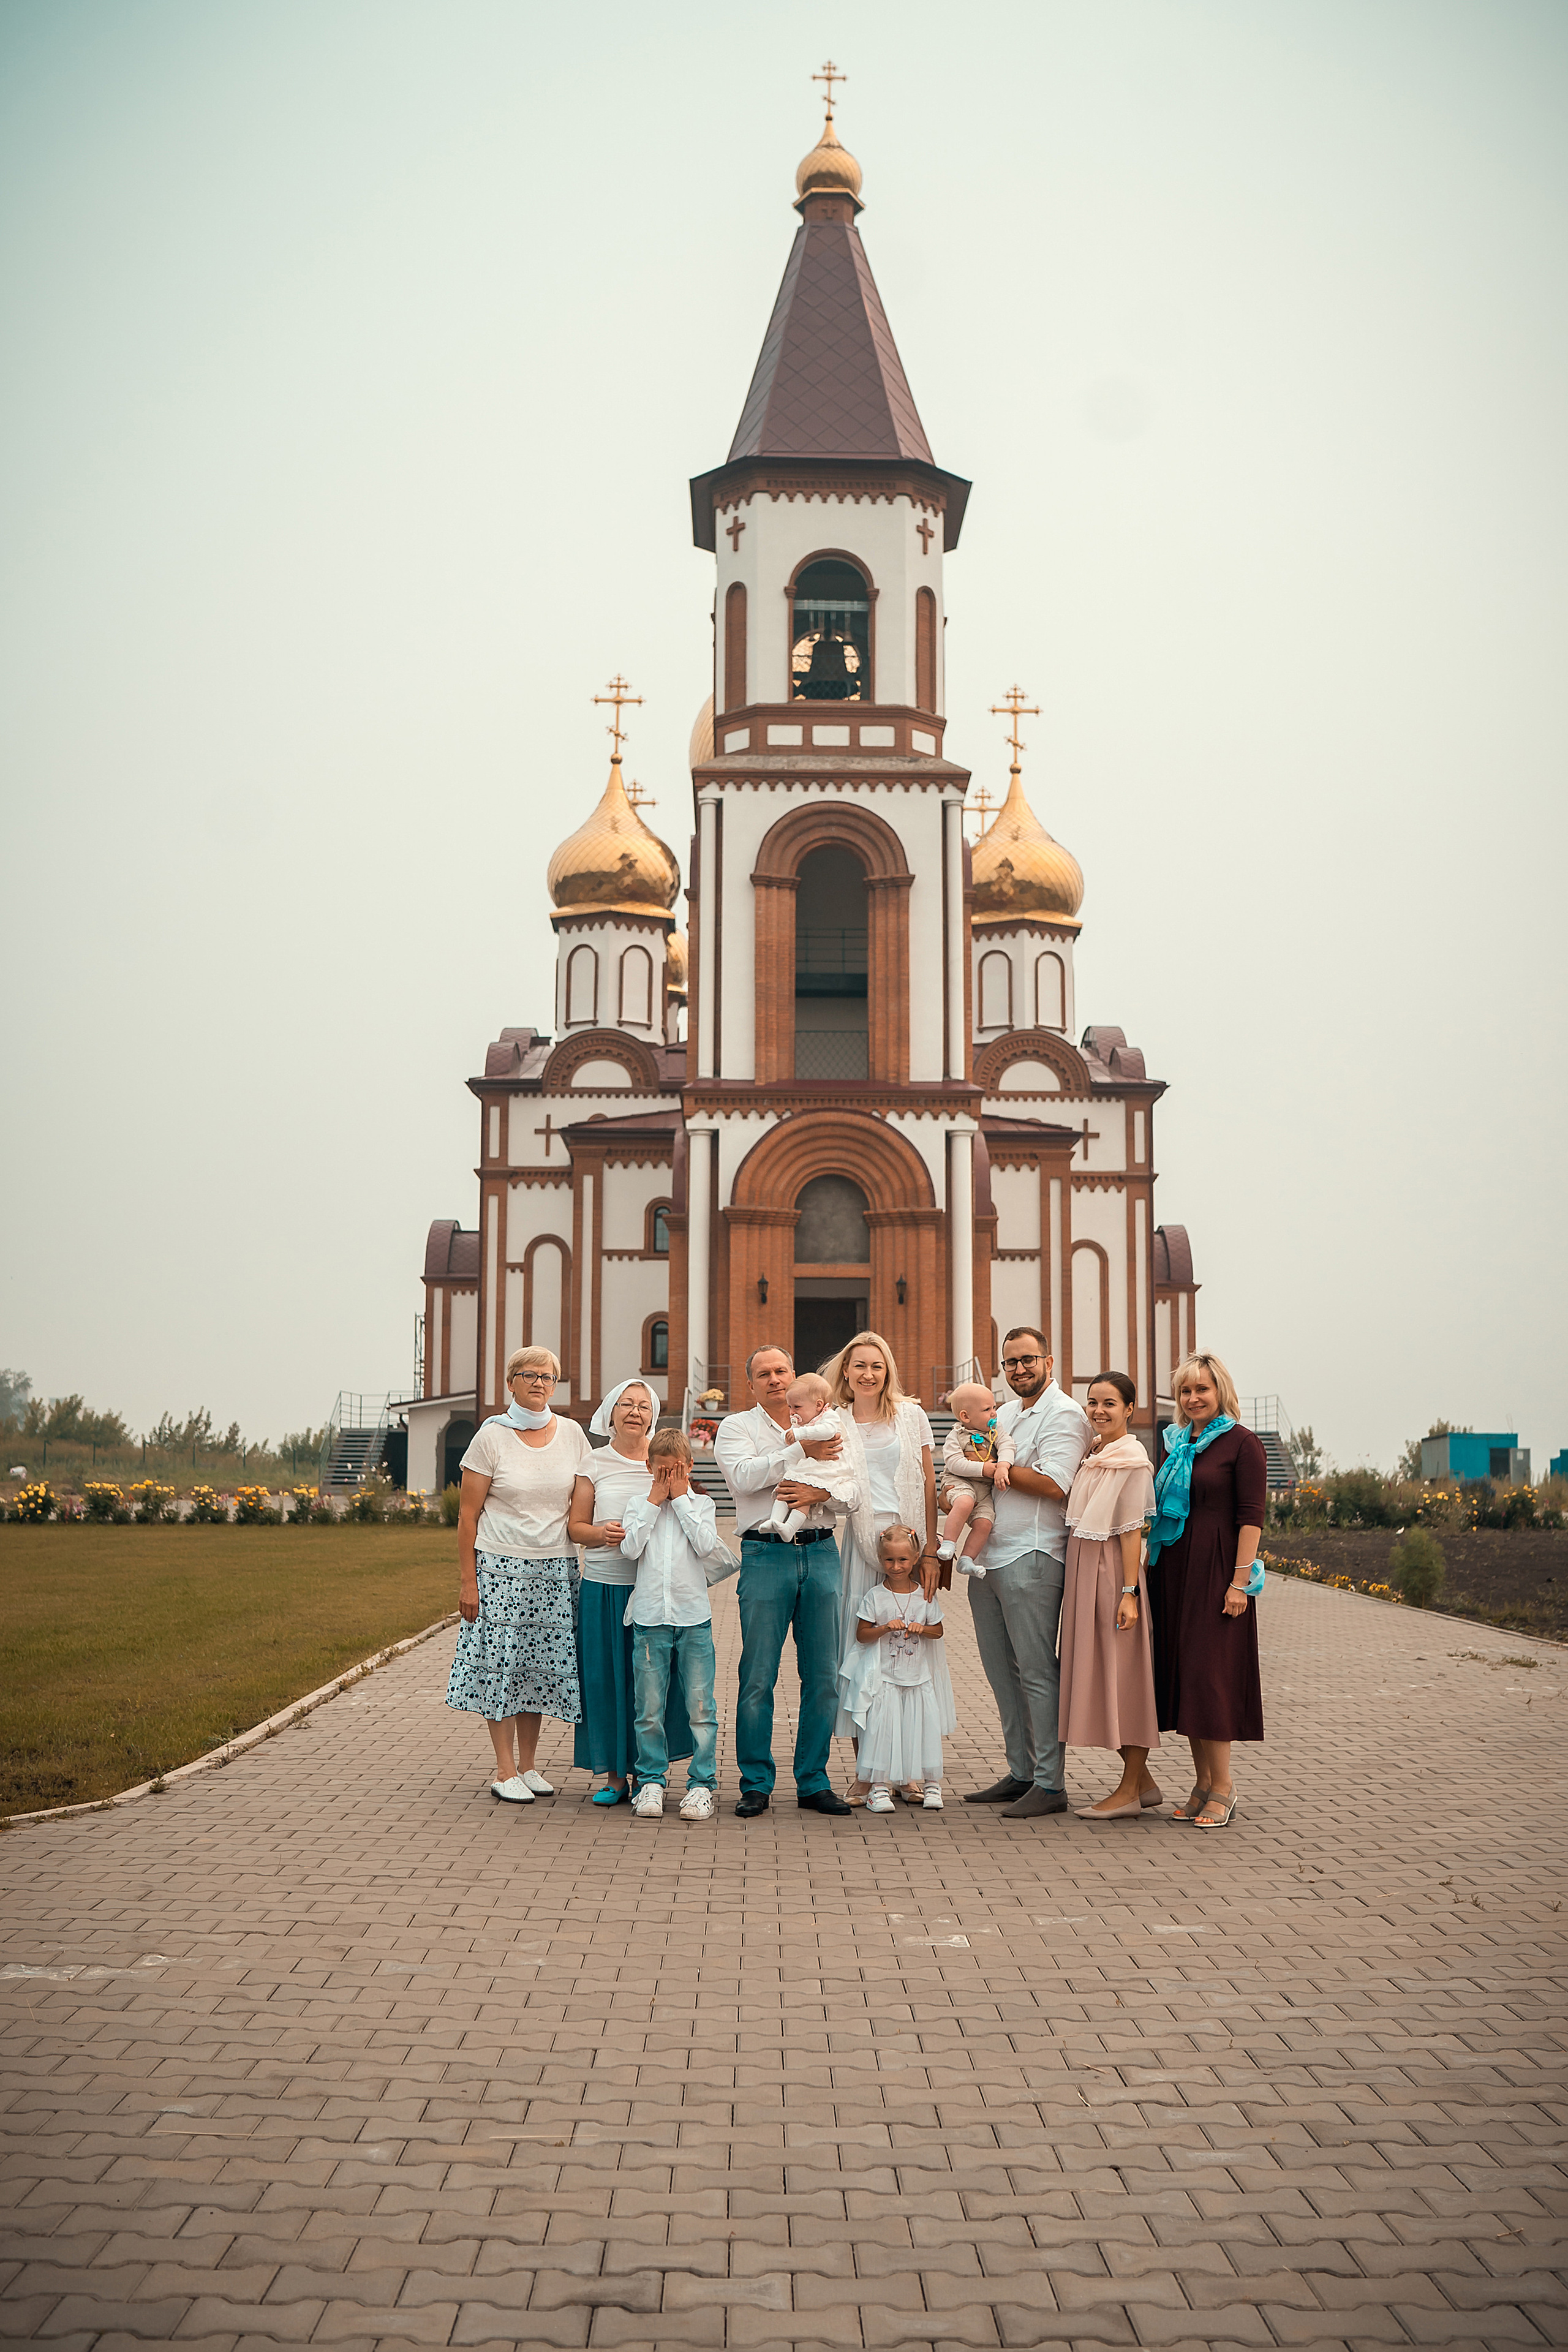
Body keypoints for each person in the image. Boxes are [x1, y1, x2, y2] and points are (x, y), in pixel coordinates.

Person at [714, 1344, 858, 1818]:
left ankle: (813, 1782)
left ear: (795, 1375)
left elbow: (856, 1488)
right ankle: (755, 1783)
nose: (775, 1380)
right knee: (757, 1676)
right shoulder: (737, 1427)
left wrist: (822, 1490)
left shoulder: (835, 1421)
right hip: (765, 1556)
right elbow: (742, 1478)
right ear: (750, 1384)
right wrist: (799, 1448)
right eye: (764, 1374)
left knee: (823, 1677)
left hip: (821, 1551)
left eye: (782, 1371)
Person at [448, 1346, 592, 1803]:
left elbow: (591, 1492)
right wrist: (469, 1582)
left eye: (548, 1376)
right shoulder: (491, 1438)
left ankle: (529, 1766)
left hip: (556, 1566)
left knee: (540, 1668)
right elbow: (467, 1517)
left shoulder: (572, 1434)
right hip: (500, 1567)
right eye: (528, 1375)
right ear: (510, 1383)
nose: (539, 1383)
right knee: (503, 1666)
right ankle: (504, 1768)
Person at [963, 1326, 1092, 1820]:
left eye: (1028, 1360)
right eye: (1010, 1362)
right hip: (988, 1556)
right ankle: (1020, 1771)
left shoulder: (1065, 1415)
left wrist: (990, 1466)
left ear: (1050, 1361)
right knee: (1002, 1675)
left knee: (1037, 1673)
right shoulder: (1008, 1413)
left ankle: (1049, 1783)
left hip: (1033, 1556)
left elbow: (1054, 1484)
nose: (1019, 1369)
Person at [1145, 1351, 1266, 1830]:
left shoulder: (1242, 1444)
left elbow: (1251, 1518)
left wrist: (1239, 1582)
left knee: (1211, 1680)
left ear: (1220, 1392)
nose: (1193, 1398)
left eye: (1202, 1389)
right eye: (1186, 1391)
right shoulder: (1176, 1444)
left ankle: (1225, 1786)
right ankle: (1201, 1784)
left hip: (1218, 1571)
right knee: (1189, 1680)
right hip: (1174, 1570)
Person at [567, 1378, 692, 1806]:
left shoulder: (665, 1460)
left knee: (651, 1686)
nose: (635, 1412)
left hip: (654, 1590)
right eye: (626, 1404)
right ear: (611, 1412)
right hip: (604, 1589)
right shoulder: (593, 1463)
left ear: (653, 1416)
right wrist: (602, 1534)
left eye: (643, 1405)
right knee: (606, 1681)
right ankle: (616, 1775)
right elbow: (576, 1527)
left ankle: (649, 1774)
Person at [827, 1332, 939, 1800]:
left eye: (876, 1365)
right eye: (859, 1366)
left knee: (909, 1652)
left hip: (908, 1544)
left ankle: (907, 1770)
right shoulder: (835, 1421)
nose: (868, 1374)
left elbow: (930, 1482)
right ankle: (867, 1770)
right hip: (859, 1542)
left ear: (887, 1370)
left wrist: (930, 1550)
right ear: (847, 1373)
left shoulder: (911, 1417)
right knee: (863, 1655)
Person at [1059, 1371, 1162, 1820]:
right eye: (1093, 1402)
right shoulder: (1096, 1453)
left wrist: (1128, 1593)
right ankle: (1144, 1784)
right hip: (1086, 1571)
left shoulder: (1131, 1460)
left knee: (1124, 1675)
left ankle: (1129, 1792)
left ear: (1129, 1410)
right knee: (1099, 1676)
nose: (1099, 1410)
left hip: (1111, 1575)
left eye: (1110, 1403)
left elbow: (1131, 1533)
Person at [619, 1428, 731, 1821]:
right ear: (649, 1468)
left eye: (676, 1472)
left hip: (692, 1617)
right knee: (649, 1706)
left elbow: (705, 1546)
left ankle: (702, 1785)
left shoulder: (702, 1504)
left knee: (700, 1707)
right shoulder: (638, 1503)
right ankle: (650, 1780)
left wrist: (681, 1499)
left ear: (689, 1468)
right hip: (650, 1619)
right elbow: (630, 1548)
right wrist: (653, 1503)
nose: (668, 1480)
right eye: (661, 1472)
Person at [837, 1525, 956, 1812]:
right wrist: (882, 1629)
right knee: (882, 1730)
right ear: (881, 1560)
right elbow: (861, 1635)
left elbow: (938, 1630)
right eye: (889, 1560)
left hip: (918, 1678)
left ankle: (927, 1784)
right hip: (886, 1679)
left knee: (918, 1729)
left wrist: (923, 1628)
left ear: (915, 1558)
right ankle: (878, 1787)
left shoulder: (925, 1596)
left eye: (903, 1560)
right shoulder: (875, 1596)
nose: (896, 1566)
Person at [755, 1373, 860, 1541]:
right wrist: (790, 1435)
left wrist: (800, 1433)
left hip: (827, 1468)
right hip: (809, 1466)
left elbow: (828, 1431)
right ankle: (776, 1521)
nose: (792, 1412)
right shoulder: (804, 1421)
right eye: (790, 1407)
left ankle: (789, 1527)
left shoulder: (829, 1416)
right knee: (787, 1486)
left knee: (803, 1493)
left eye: (796, 1407)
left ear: (818, 1405)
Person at [936, 1381, 1016, 1575]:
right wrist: (985, 1469)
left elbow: (1008, 1446)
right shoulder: (956, 1436)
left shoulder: (997, 1431)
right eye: (987, 1409)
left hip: (983, 1489)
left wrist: (1003, 1466)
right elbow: (955, 1463)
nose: (994, 1413)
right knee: (964, 1502)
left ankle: (966, 1560)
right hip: (959, 1480)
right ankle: (948, 1543)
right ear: (966, 1416)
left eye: (994, 1407)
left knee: (985, 1523)